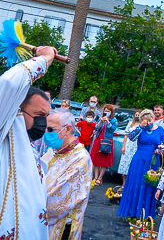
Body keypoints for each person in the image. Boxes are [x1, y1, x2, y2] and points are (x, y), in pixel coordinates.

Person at [0, 46, 57, 239]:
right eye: (39, 115)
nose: (43, 122)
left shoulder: (28, 147)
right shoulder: (3, 131)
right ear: (15, 110)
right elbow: (10, 82)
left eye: (46, 116)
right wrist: (46, 58)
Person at [42, 108, 93, 240]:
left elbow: (57, 201)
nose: (46, 133)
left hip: (62, 227)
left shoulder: (80, 158)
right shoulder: (53, 151)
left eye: (50, 129)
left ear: (68, 129)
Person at [118, 109, 164, 219]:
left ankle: (146, 213)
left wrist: (160, 149)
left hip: (153, 160)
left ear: (153, 119)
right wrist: (141, 126)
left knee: (149, 185)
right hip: (139, 160)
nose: (148, 123)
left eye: (150, 120)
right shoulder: (140, 128)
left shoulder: (160, 129)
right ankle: (133, 212)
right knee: (136, 183)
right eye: (146, 121)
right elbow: (131, 137)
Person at [90, 104, 118, 185]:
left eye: (108, 111)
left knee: (104, 160)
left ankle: (100, 177)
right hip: (98, 140)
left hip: (106, 141)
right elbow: (96, 128)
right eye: (105, 111)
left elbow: (112, 129)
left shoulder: (114, 120)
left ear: (111, 112)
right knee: (96, 160)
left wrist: (108, 121)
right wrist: (101, 121)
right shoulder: (101, 118)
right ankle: (95, 177)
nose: (106, 112)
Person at [118, 108, 141, 188]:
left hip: (136, 147)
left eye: (139, 115)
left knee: (133, 165)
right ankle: (123, 184)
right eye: (136, 114)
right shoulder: (130, 123)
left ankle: (131, 184)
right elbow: (126, 136)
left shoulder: (142, 126)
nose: (137, 116)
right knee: (125, 164)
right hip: (128, 146)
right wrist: (123, 146)